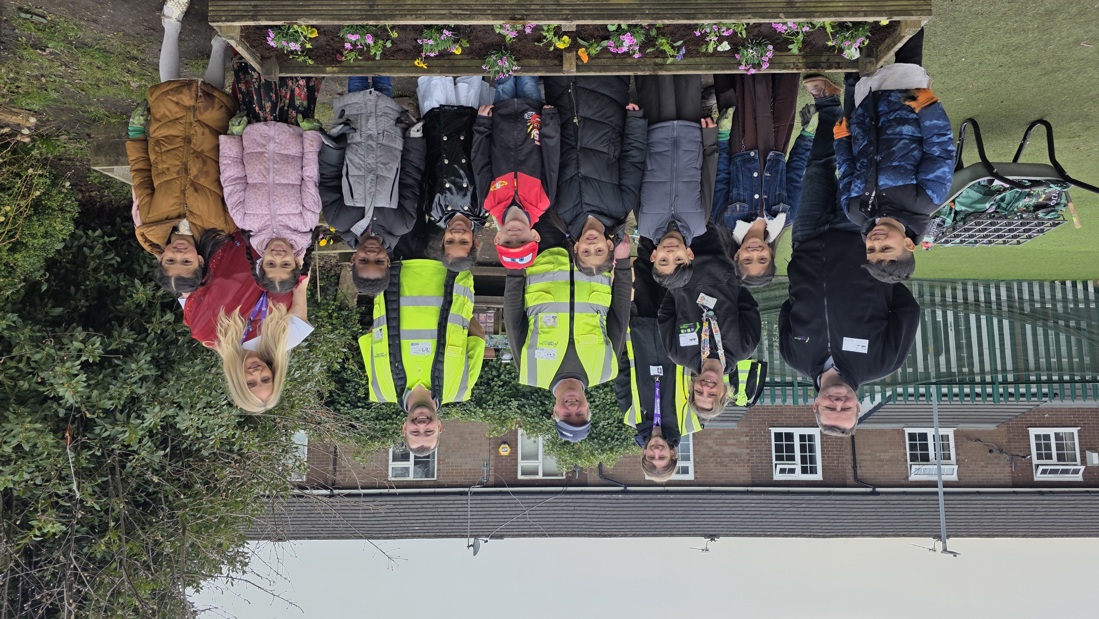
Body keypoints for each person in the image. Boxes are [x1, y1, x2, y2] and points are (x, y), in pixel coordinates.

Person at [779, 69, 922, 437]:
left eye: (830, 408)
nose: (838, 402)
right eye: (846, 409)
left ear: (816, 405)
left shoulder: (794, 358)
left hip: (807, 241)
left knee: (817, 168)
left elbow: (786, 310)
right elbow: (907, 310)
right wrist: (875, 276)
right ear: (860, 406)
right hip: (859, 235)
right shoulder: (882, 362)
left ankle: (827, 105)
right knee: (855, 165)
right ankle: (856, 91)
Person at [126, 0, 237, 294]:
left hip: (167, 141)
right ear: (199, 259)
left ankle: (172, 23)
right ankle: (219, 43)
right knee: (213, 96)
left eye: (170, 259)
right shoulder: (222, 228)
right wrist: (236, 142)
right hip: (211, 145)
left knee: (169, 86)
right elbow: (234, 181)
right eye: (185, 261)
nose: (178, 252)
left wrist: (137, 135)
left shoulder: (150, 224)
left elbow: (140, 176)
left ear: (161, 257)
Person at [833, 28, 955, 283]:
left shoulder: (856, 212)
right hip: (904, 102)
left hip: (862, 114)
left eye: (871, 250)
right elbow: (940, 150)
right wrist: (928, 108)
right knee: (905, 39)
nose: (875, 242)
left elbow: (847, 171)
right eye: (886, 248)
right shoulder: (925, 200)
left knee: (854, 52)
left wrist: (842, 140)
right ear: (909, 244)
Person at [504, 226, 633, 442]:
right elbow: (620, 313)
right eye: (580, 414)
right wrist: (622, 263)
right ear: (588, 408)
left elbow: (513, 316)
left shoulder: (530, 371)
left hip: (543, 253)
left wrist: (516, 264)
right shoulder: (606, 369)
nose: (573, 409)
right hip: (591, 252)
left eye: (566, 416)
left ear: (554, 413)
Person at [359, 258, 486, 455]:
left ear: (404, 429)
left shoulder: (381, 389)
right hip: (448, 267)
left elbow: (372, 335)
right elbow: (478, 337)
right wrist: (458, 308)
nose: (421, 426)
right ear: (440, 427)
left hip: (396, 268)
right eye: (428, 431)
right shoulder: (461, 388)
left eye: (415, 432)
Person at [220, 57, 324, 294]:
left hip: (254, 130)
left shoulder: (245, 221)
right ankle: (297, 33)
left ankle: (255, 30)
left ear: (260, 262)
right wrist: (310, 138)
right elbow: (310, 177)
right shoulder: (305, 223)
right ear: (297, 263)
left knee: (259, 71)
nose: (278, 256)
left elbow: (232, 177)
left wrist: (233, 138)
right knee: (295, 70)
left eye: (270, 264)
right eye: (285, 264)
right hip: (293, 130)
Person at [318, 75, 426, 295]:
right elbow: (410, 176)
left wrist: (334, 145)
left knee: (356, 83)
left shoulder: (339, 219)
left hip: (352, 132)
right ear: (388, 262)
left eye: (365, 260)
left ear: (353, 259)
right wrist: (414, 138)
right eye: (378, 261)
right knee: (383, 86)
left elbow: (328, 177)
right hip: (390, 135)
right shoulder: (401, 223)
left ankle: (354, 47)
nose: (372, 253)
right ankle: (381, 54)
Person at [179, 230, 308, 413]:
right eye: (265, 379)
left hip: (221, 232)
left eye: (251, 383)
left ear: (238, 382)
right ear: (273, 375)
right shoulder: (288, 337)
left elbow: (186, 282)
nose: (257, 373)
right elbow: (300, 282)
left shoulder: (208, 334)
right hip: (276, 236)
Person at [542, 75, 648, 275]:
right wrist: (635, 124)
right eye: (598, 251)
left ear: (576, 248)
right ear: (609, 246)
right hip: (606, 103)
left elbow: (549, 164)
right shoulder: (620, 208)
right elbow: (633, 161)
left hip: (564, 101)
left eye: (585, 251)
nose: (591, 245)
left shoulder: (560, 213)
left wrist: (548, 125)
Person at [710, 72, 807, 287]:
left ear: (736, 256)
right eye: (762, 259)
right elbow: (794, 174)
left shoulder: (725, 220)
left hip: (741, 143)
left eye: (747, 259)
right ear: (772, 256)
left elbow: (721, 176)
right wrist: (807, 137)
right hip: (776, 144)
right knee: (782, 97)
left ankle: (744, 52)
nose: (754, 252)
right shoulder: (785, 218)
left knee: (747, 91)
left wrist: (723, 137)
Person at [614, 250, 702, 482]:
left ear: (643, 453)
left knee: (645, 267)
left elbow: (622, 374)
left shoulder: (631, 417)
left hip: (642, 328)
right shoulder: (691, 421)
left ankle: (647, 234)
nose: (656, 452)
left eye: (650, 457)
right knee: (678, 276)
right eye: (662, 457)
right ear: (673, 453)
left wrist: (625, 338)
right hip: (674, 331)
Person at [656, 227, 762, 419]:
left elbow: (665, 315)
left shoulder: (678, 354)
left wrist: (677, 288)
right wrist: (728, 283)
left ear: (693, 387)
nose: (706, 388)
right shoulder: (743, 348)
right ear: (724, 392)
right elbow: (749, 307)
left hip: (681, 260)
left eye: (699, 392)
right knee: (712, 208)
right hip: (722, 255)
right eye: (712, 395)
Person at [633, 75, 718, 289]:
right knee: (685, 82)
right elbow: (708, 175)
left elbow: (634, 172)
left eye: (664, 260)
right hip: (690, 136)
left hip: (654, 135)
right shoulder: (700, 222)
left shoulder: (644, 223)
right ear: (689, 254)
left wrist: (635, 128)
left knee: (652, 82)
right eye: (679, 259)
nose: (671, 253)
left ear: (653, 256)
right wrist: (709, 139)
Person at [471, 75, 561, 270]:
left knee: (504, 78)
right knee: (528, 77)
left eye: (508, 242)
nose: (514, 237)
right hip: (532, 116)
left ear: (497, 238)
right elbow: (551, 159)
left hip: (501, 118)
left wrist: (482, 125)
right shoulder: (542, 200)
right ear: (535, 236)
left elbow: (480, 161)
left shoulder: (489, 200)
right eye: (522, 241)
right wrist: (550, 123)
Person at [416, 76, 492, 272]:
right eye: (463, 240)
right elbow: (483, 163)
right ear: (474, 241)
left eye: (450, 240)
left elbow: (425, 174)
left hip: (438, 130)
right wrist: (484, 126)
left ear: (443, 239)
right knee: (469, 78)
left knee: (437, 76)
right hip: (470, 131)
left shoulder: (434, 212)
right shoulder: (483, 209)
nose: (457, 234)